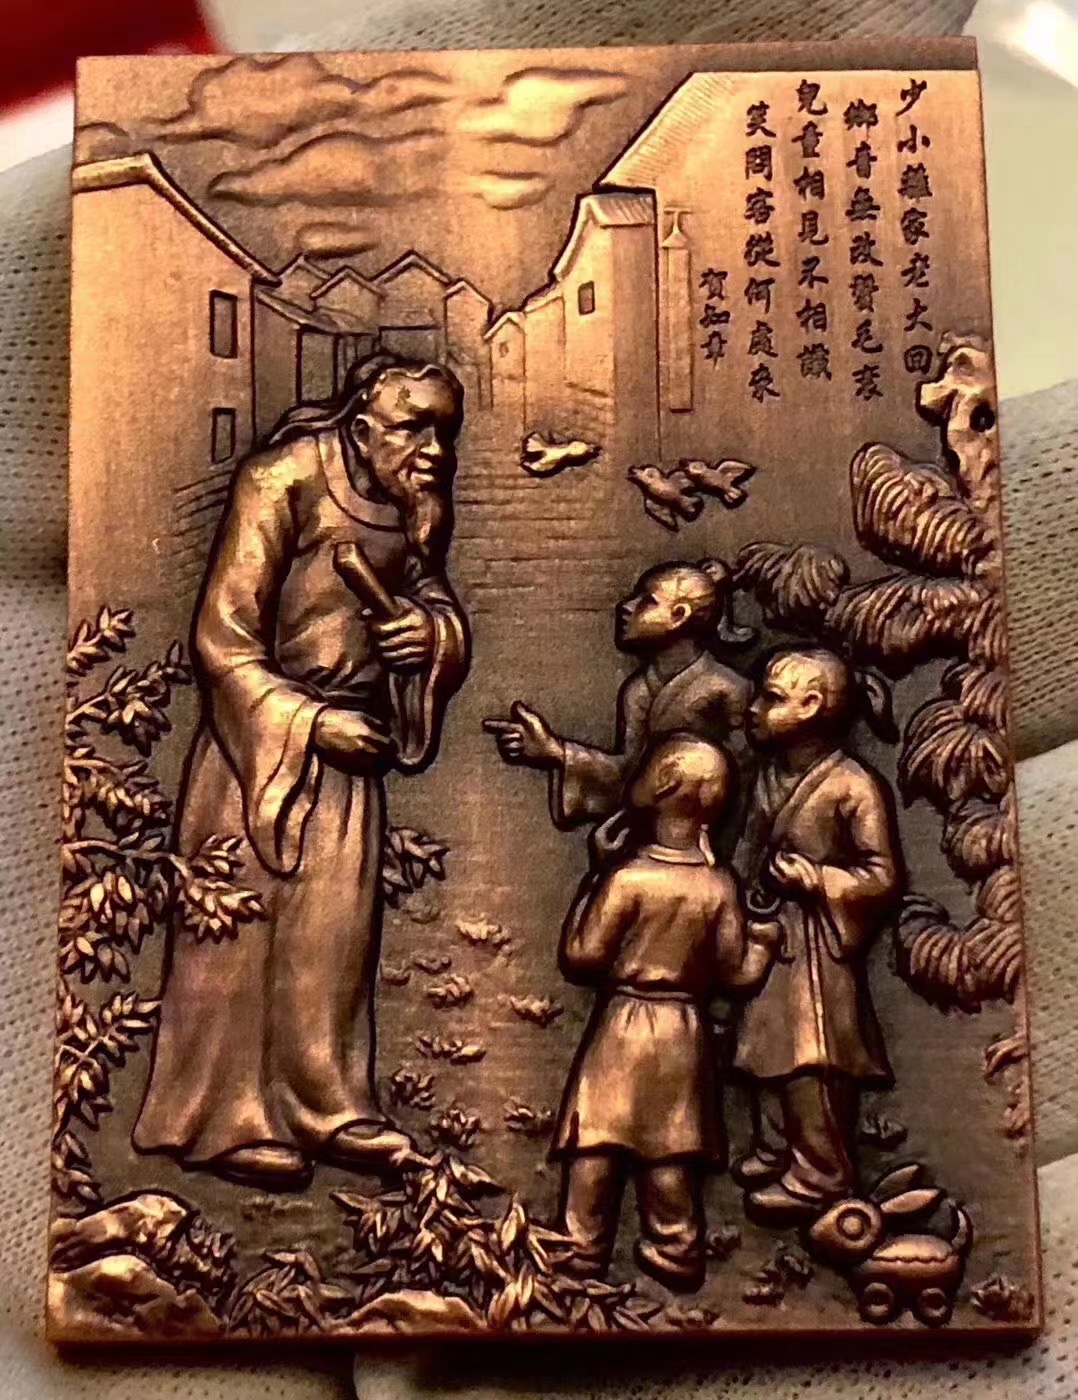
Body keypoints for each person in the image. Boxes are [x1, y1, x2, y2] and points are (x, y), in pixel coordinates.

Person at [133, 352, 470, 1190]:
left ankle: (329, 1105)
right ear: (360, 427)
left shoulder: (416, 501)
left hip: (353, 750)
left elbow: (432, 596)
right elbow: (222, 637)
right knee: (243, 936)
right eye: (414, 428)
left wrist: (430, 637)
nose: (434, 450)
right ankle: (224, 1120)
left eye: (446, 431)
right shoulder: (279, 481)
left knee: (330, 939)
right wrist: (311, 723)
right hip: (260, 752)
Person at [551, 735, 778, 1291]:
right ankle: (677, 1246)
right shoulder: (718, 887)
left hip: (624, 1025)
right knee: (671, 1144)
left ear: (663, 786)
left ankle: (580, 1247)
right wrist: (766, 940)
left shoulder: (628, 878)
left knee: (596, 1137)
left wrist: (594, 876)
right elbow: (738, 974)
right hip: (682, 1031)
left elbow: (582, 956)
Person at [732, 647, 904, 1221]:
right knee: (764, 1048)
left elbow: (881, 876)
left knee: (811, 1054)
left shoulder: (853, 785)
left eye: (770, 699)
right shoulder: (769, 776)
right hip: (770, 933)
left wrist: (816, 879)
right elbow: (748, 848)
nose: (753, 709)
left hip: (819, 949)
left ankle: (820, 1171)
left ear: (810, 707)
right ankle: (775, 1147)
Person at [484, 560, 753, 839]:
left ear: (679, 615)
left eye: (646, 600)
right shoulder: (637, 691)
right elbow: (629, 776)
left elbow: (746, 788)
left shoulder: (727, 689)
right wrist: (556, 752)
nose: (625, 606)